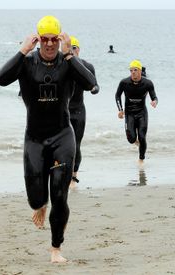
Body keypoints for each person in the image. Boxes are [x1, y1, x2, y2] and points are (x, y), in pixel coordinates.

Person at [0, 15, 96, 263]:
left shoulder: (68, 61)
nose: (50, 44)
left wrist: (70, 53)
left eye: (54, 39)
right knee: (36, 198)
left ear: (59, 38)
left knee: (60, 196)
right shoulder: (27, 62)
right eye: (44, 39)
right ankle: (40, 205)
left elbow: (91, 83)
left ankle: (55, 249)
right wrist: (22, 50)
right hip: (35, 139)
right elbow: (0, 79)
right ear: (38, 39)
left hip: (63, 136)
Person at [68, 36, 100, 189]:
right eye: (70, 48)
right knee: (61, 145)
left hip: (79, 111)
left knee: (76, 145)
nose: (72, 51)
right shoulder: (62, 65)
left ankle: (74, 176)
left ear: (79, 49)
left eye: (75, 48)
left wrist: (94, 88)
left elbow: (95, 85)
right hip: (63, 111)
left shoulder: (87, 66)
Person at [115, 59, 158, 164]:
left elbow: (154, 97)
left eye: (135, 70)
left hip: (142, 112)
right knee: (131, 139)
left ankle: (141, 159)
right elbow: (117, 95)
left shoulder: (147, 83)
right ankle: (138, 143)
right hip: (129, 113)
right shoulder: (124, 82)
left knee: (142, 136)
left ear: (139, 71)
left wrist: (154, 102)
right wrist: (120, 110)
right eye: (131, 70)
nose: (132, 72)